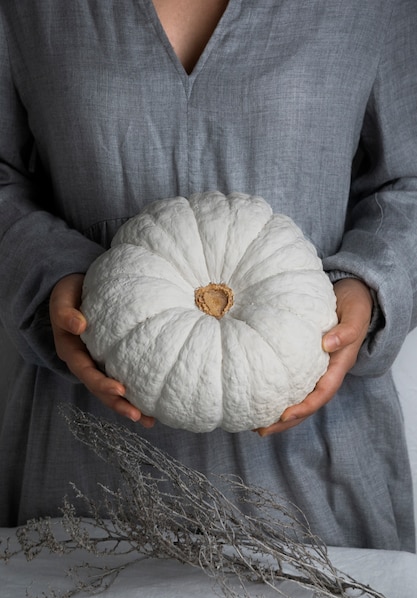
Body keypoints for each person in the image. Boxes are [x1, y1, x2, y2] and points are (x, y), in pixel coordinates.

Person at [0, 0, 416, 553]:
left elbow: (408, 184)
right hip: (84, 460)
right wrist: (48, 274)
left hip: (317, 472)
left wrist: (369, 286)